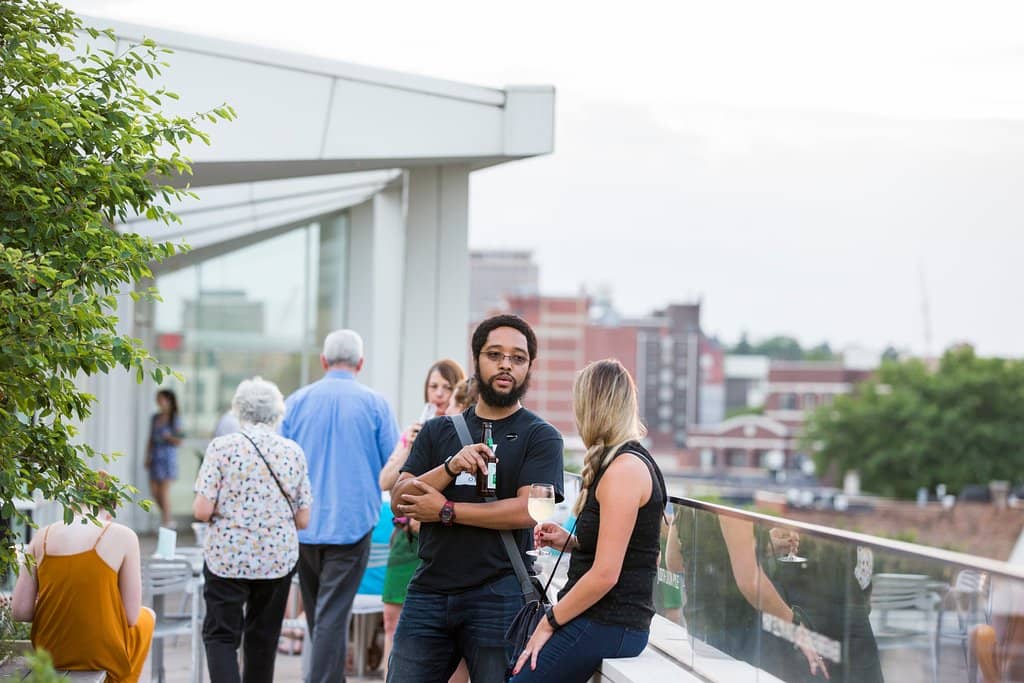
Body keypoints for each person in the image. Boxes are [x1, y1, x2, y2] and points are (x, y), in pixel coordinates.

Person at [388, 314, 564, 683]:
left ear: (530, 366)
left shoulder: (541, 436)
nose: (505, 364)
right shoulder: (438, 432)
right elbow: (401, 499)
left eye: (518, 358)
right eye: (495, 354)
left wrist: (447, 510)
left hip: (500, 595)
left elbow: (531, 510)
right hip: (429, 591)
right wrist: (449, 467)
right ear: (477, 360)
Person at [508, 359, 665, 682]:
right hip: (600, 618)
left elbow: (607, 574)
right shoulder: (618, 462)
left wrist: (548, 622)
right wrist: (571, 542)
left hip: (611, 621)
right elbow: (626, 546)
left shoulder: (623, 471)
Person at [282, 329, 400, 683]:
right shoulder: (375, 404)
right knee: (331, 613)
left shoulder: (296, 402)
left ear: (323, 361)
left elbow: (282, 463)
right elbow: (392, 464)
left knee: (321, 613)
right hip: (352, 525)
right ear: (360, 363)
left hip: (303, 525)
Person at [193, 376, 313, 683]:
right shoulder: (292, 452)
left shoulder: (221, 448)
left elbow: (202, 510)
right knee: (262, 641)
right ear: (277, 412)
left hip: (227, 559)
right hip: (276, 559)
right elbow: (303, 519)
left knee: (221, 636)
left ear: (238, 410)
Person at [12, 471, 155, 683]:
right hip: (100, 655)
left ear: (71, 502)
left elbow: (20, 611)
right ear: (112, 507)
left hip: (51, 654)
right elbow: (131, 616)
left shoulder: (41, 536)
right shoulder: (124, 536)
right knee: (146, 617)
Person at [379, 359, 467, 681]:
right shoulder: (416, 432)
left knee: (448, 636)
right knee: (392, 618)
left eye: (447, 387)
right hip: (404, 538)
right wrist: (409, 449)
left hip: (440, 542)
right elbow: (386, 481)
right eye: (433, 387)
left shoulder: (463, 435)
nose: (439, 394)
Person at [146, 388, 183, 528]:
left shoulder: (175, 418)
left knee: (163, 492)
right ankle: (167, 517)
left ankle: (166, 521)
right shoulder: (155, 418)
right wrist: (147, 456)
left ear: (168, 400)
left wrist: (169, 437)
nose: (158, 402)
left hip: (167, 458)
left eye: (161, 398)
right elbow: (150, 438)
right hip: (155, 457)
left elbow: (179, 440)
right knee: (154, 492)